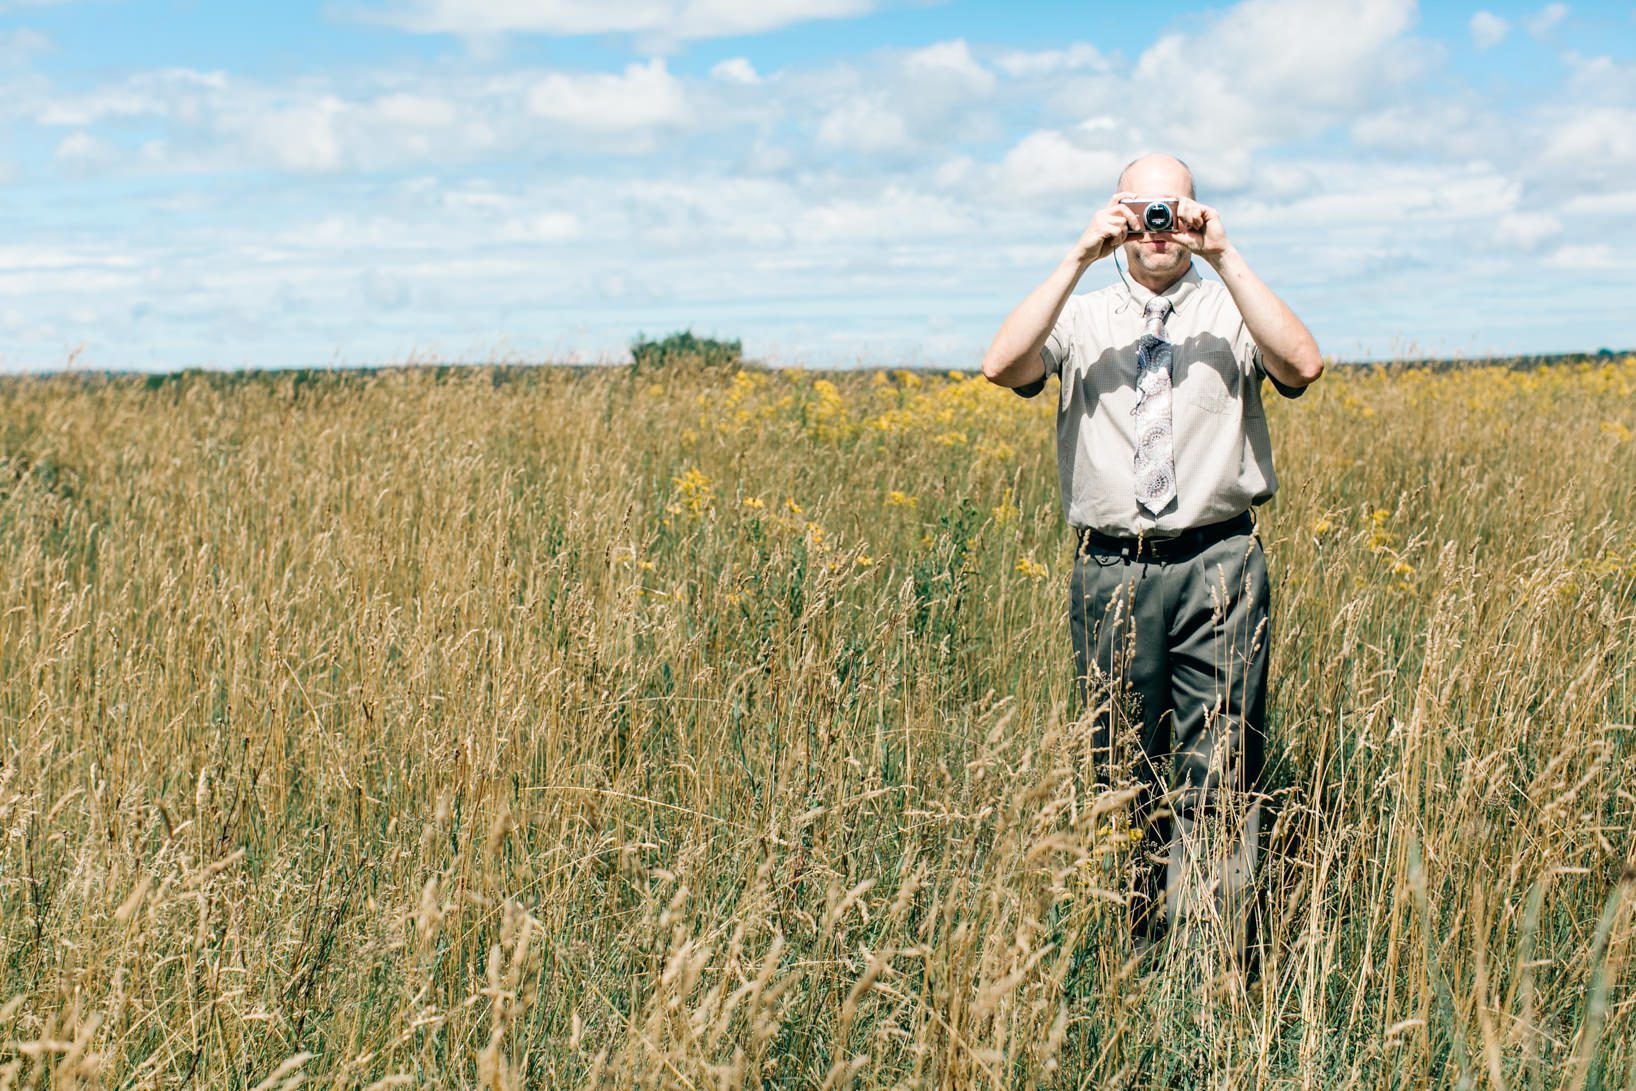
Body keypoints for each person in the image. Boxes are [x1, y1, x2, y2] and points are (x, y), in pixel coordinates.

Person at [980, 153, 1323, 955]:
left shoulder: (1228, 308)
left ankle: (1206, 967)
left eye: (1176, 210)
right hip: (1113, 569)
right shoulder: (1085, 316)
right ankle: (1132, 952)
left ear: (1197, 214)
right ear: (1118, 214)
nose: (1159, 228)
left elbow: (1303, 364)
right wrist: (1076, 256)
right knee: (1119, 770)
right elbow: (1001, 364)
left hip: (1221, 564)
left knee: (1222, 769)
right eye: (1142, 210)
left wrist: (1226, 255)